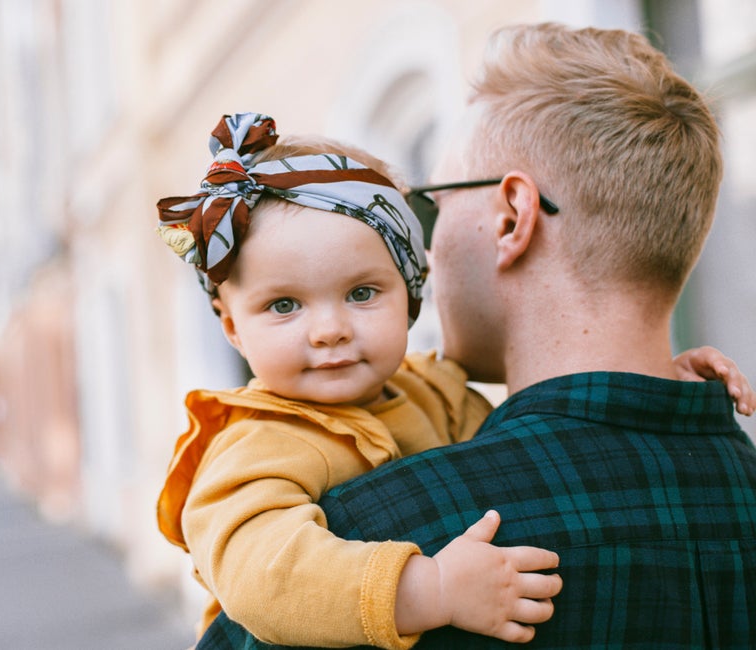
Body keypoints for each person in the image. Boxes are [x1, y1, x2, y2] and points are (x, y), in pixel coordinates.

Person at [197, 23, 756, 649]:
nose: (428, 253)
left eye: (432, 206)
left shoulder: (377, 536)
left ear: (512, 218)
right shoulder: (741, 481)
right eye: (284, 305)